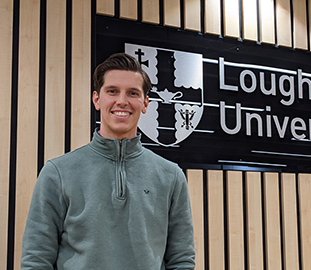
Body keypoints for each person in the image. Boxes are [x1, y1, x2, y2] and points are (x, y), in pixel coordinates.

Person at [21, 53, 195, 269]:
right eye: (112, 91)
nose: (122, 101)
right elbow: (36, 258)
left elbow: (181, 259)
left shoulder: (171, 176)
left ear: (145, 103)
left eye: (132, 93)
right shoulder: (58, 172)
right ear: (97, 99)